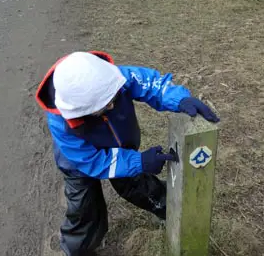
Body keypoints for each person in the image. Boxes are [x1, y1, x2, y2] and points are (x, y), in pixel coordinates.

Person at [35, 51, 219, 256]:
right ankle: (78, 249)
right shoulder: (61, 123)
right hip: (79, 163)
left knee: (136, 183)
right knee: (84, 208)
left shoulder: (113, 77)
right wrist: (140, 161)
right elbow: (93, 162)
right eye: (103, 107)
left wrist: (180, 99)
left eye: (113, 98)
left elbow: (150, 84)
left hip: (121, 146)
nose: (112, 106)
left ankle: (169, 208)